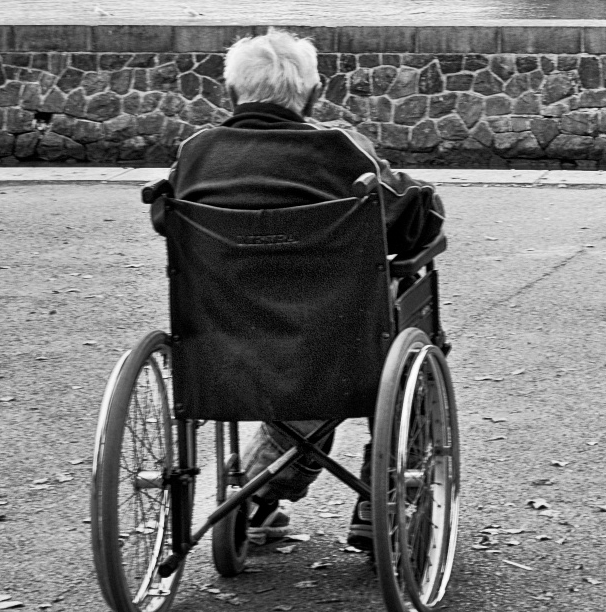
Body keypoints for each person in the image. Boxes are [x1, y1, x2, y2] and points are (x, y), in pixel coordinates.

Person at [159, 28, 446, 550]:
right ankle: (379, 495)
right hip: (335, 339)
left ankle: (256, 491)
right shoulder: (338, 149)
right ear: (312, 96)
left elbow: (166, 220)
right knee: (406, 324)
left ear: (231, 94)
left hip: (223, 339)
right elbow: (414, 223)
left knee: (299, 351)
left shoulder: (195, 155)